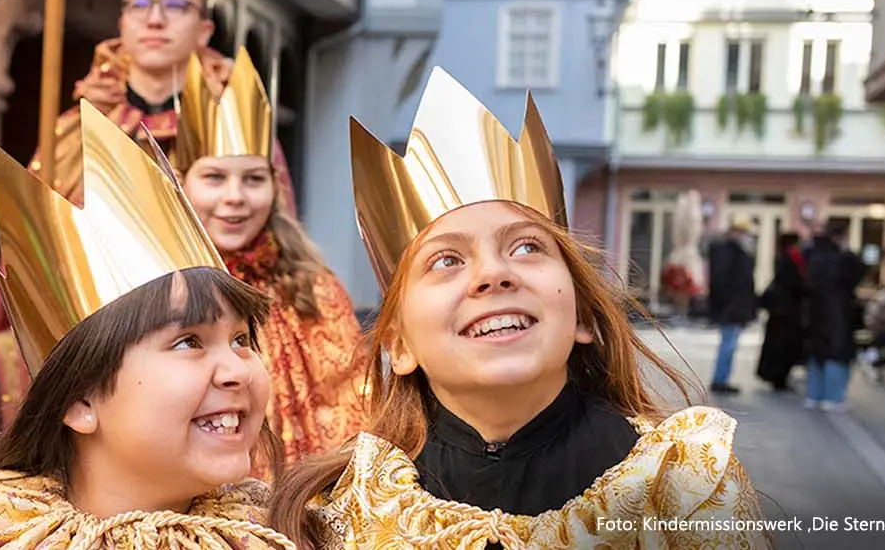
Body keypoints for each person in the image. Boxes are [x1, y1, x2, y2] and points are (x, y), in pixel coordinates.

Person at [268, 70, 766, 549]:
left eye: (527, 247)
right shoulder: (338, 512)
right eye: (446, 260)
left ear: (583, 316)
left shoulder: (681, 490)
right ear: (398, 344)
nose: (492, 274)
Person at [0, 101, 292, 549]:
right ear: (79, 400)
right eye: (188, 342)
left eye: (241, 340)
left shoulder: (277, 533)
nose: (238, 370)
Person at [0, 0, 303, 425]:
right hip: (97, 345)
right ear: (123, 19)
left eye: (176, 6)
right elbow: (35, 249)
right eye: (140, 5)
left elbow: (275, 246)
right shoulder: (76, 128)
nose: (155, 19)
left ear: (204, 28)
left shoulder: (238, 125)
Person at [173, 49, 364, 469]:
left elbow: (353, 405)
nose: (236, 197)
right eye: (215, 177)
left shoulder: (313, 287)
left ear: (275, 188)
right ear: (181, 180)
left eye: (253, 179)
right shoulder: (154, 287)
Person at [801, 223, 862, 412]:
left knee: (817, 354)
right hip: (837, 312)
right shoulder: (841, 258)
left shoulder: (813, 255)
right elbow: (855, 274)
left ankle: (813, 395)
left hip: (815, 312)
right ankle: (833, 397)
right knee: (836, 354)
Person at [704, 217, 758, 395]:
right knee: (728, 345)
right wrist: (728, 305)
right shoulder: (729, 252)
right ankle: (720, 380)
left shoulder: (737, 252)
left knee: (730, 345)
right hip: (731, 308)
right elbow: (722, 281)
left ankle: (722, 379)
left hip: (734, 307)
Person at [754, 232, 807, 392]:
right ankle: (778, 376)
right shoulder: (791, 260)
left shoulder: (784, 258)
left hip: (781, 312)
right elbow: (796, 283)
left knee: (779, 345)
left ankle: (777, 375)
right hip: (786, 312)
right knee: (783, 346)